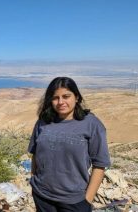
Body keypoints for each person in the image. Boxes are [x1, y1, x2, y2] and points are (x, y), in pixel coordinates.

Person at [27, 77, 111, 212]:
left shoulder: (91, 124)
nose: (61, 102)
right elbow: (35, 154)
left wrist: (87, 200)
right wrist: (33, 181)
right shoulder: (43, 122)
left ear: (76, 97)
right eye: (55, 98)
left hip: (74, 201)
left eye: (66, 96)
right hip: (42, 196)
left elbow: (99, 165)